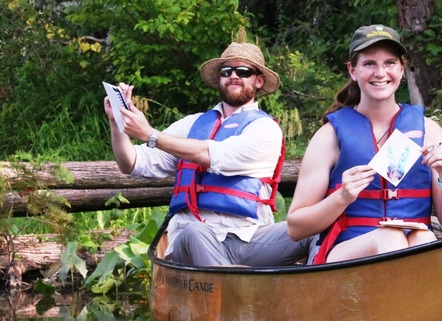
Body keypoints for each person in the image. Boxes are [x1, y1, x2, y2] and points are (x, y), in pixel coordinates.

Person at [103, 41, 312, 267]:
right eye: (226, 71)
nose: (233, 76)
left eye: (243, 71)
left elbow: (214, 155)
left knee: (315, 229)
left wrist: (150, 134)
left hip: (249, 238)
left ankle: (304, 290)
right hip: (193, 239)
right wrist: (117, 122)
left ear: (258, 81)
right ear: (219, 79)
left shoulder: (265, 129)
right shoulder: (191, 124)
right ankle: (233, 287)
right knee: (195, 231)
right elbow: (132, 163)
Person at [286, 25, 442, 264]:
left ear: (402, 69)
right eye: (369, 63)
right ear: (353, 70)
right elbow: (296, 228)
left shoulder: (429, 131)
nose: (380, 73)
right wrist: (341, 197)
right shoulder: (328, 136)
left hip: (413, 246)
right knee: (390, 239)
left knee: (423, 239)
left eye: (390, 63)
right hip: (346, 255)